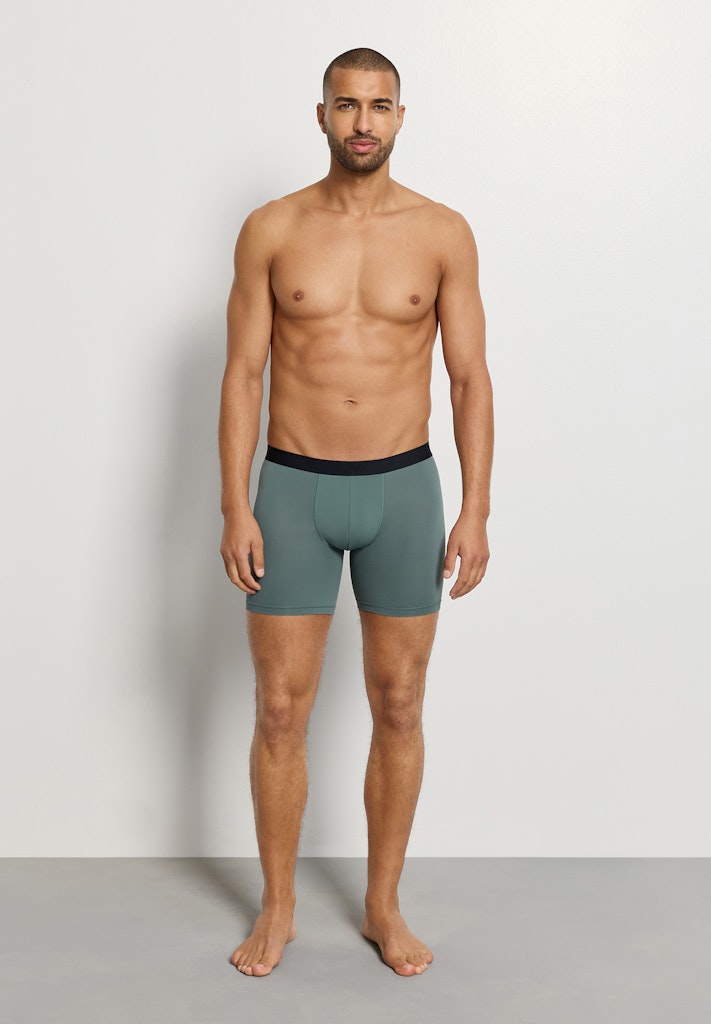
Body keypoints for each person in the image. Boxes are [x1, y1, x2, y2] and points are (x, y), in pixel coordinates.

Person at [218, 47, 493, 978]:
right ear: (322, 115)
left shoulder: (443, 232)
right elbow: (242, 374)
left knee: (400, 704)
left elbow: (468, 377)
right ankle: (278, 908)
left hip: (403, 488)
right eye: (346, 105)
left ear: (399, 117)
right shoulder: (272, 228)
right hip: (291, 489)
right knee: (279, 709)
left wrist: (476, 508)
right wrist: (234, 504)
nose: (362, 122)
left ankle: (382, 905)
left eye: (378, 106)